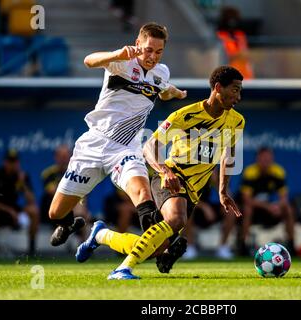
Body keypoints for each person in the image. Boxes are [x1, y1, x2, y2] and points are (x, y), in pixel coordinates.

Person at [75, 65, 245, 280]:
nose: (238, 97)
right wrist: (165, 171)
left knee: (152, 247)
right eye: (235, 90)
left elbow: (227, 156)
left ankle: (100, 235)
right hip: (171, 179)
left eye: (240, 91)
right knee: (176, 218)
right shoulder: (185, 115)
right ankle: (122, 269)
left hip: (194, 192)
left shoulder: (237, 121)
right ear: (218, 88)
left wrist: (223, 191)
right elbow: (149, 147)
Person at [48, 22, 187, 249]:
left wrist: (177, 93)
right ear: (137, 44)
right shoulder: (121, 63)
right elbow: (89, 61)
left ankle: (165, 247)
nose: (153, 56)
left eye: (159, 51)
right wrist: (117, 54)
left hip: (125, 148)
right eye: (148, 49)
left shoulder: (161, 72)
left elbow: (164, 89)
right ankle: (68, 224)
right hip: (93, 144)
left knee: (143, 193)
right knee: (55, 212)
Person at [236, 147, 296, 256]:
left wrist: (277, 206)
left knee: (288, 208)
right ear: (257, 158)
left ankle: (292, 244)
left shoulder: (278, 171)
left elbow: (284, 197)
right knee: (247, 209)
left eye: (269, 157)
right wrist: (268, 207)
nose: (266, 160)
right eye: (263, 158)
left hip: (270, 209)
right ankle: (243, 245)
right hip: (255, 210)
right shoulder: (250, 172)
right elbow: (247, 199)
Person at [0, 149, 39, 255]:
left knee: (34, 210)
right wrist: (10, 210)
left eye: (15, 161)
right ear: (5, 162)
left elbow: (31, 200)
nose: (12, 164)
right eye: (10, 161)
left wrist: (22, 183)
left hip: (15, 210)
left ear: (18, 163)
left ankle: (31, 249)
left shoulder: (22, 176)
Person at [40, 145, 91, 241]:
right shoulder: (49, 173)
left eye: (66, 156)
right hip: (51, 208)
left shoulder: (77, 172)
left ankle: (84, 244)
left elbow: (83, 192)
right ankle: (68, 229)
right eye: (61, 156)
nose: (64, 159)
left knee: (82, 210)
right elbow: (52, 192)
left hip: (73, 208)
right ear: (56, 157)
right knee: (78, 208)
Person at [216, 6, 254, 79]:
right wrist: (238, 54)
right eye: (229, 19)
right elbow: (225, 56)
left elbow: (246, 53)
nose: (232, 22)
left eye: (234, 19)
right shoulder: (220, 35)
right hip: (228, 76)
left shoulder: (240, 35)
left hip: (245, 75)